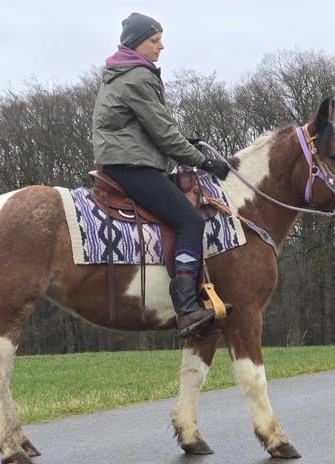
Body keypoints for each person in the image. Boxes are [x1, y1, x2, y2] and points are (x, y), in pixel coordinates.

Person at [92, 12, 230, 338]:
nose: (161, 46)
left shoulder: (122, 73)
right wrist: (205, 162)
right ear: (137, 43)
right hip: (132, 167)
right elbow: (163, 134)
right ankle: (185, 307)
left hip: (127, 161)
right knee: (190, 221)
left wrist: (187, 144)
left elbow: (154, 131)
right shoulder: (137, 77)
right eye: (154, 41)